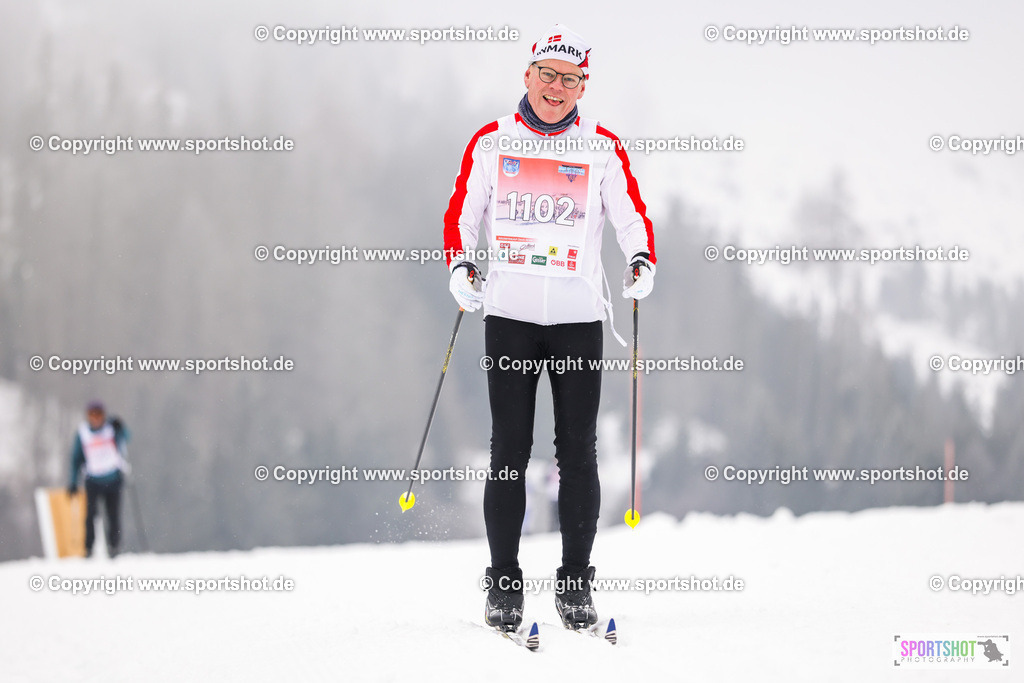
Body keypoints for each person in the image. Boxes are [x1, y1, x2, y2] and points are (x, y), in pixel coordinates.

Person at [443, 24, 656, 631]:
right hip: (509, 316)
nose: (556, 89)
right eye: (547, 76)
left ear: (583, 85)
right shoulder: (491, 142)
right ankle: (504, 586)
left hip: (577, 319)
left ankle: (575, 585)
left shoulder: (601, 148)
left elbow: (631, 218)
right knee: (509, 451)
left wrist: (641, 260)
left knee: (578, 453)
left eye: (570, 80)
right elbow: (463, 215)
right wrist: (461, 265)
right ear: (527, 76)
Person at [67, 400, 130, 558]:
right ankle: (89, 548)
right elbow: (76, 459)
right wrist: (73, 482)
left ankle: (114, 547)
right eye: (92, 415)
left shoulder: (111, 429)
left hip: (113, 478)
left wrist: (121, 427)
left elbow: (126, 438)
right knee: (90, 516)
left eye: (98, 415)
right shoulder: (83, 433)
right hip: (93, 480)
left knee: (113, 515)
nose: (95, 419)